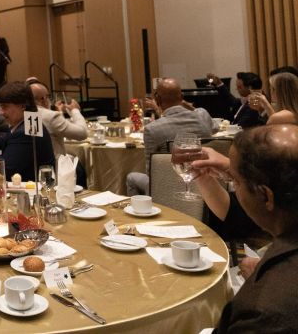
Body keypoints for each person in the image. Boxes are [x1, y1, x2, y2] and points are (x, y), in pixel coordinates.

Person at [189, 125, 298, 333]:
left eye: (235, 182)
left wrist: (266, 280)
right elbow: (238, 218)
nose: (234, 187)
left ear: (266, 196)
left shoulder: (262, 311)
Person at [126, 78, 214, 196]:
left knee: (131, 178)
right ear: (182, 97)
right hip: (206, 184)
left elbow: (151, 172)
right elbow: (215, 127)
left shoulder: (152, 129)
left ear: (157, 100)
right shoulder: (203, 117)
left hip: (170, 188)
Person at [30, 82, 88, 156]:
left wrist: (59, 112)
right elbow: (82, 133)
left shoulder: (29, 114)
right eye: (49, 97)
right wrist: (75, 110)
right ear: (43, 99)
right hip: (55, 161)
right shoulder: (51, 116)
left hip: (37, 160)